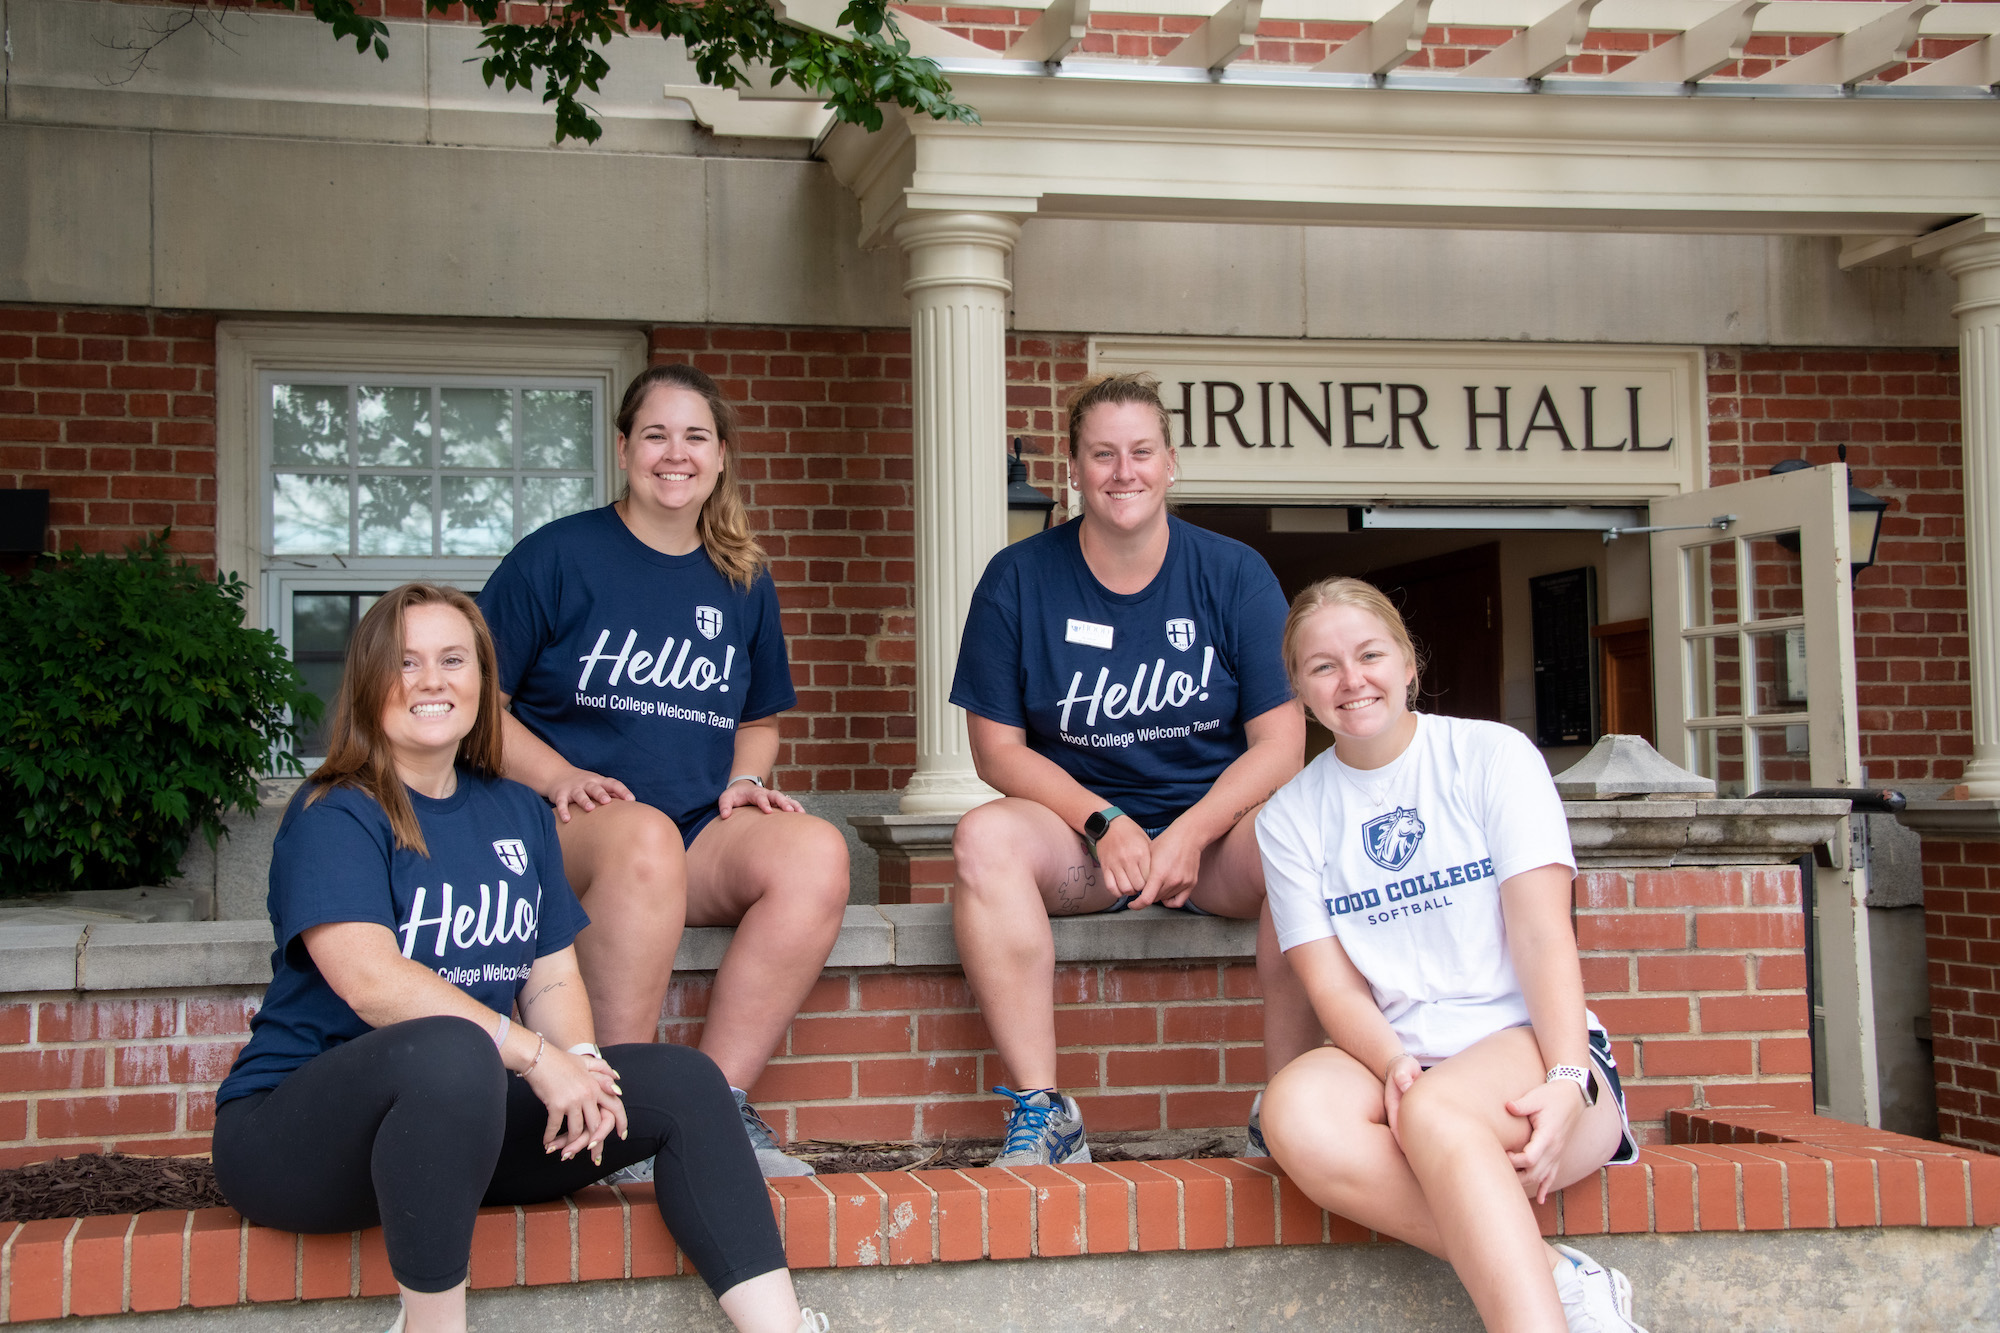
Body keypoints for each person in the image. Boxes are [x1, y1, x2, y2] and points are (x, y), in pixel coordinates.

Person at [212, 584, 829, 1333]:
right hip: (298, 1144)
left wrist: (582, 1063)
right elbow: (372, 981)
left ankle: (783, 1328)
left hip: (454, 1131)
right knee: (455, 1046)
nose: (431, 680)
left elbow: (552, 971)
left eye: (452, 659)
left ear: (483, 682)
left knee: (685, 1083)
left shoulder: (516, 810)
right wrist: (536, 1057)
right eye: (405, 661)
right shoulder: (335, 810)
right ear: (371, 679)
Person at [476, 364, 849, 1177]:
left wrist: (747, 781)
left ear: (720, 458)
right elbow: (476, 705)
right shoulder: (557, 558)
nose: (674, 453)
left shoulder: (743, 577)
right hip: (569, 829)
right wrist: (555, 774)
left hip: (692, 828)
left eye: (695, 437)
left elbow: (759, 718)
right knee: (642, 835)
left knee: (816, 850)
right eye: (655, 434)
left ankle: (714, 1104)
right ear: (623, 448)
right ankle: (617, 1109)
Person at [947, 371, 1321, 1166]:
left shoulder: (1233, 573)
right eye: (1103, 454)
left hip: (1211, 843)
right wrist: (1102, 817)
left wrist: (1191, 830)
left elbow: (1283, 744)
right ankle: (1046, 1112)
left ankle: (1291, 1105)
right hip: (1083, 845)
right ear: (1074, 468)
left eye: (1141, 451)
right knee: (983, 839)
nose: (1124, 471)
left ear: (1170, 462)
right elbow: (996, 751)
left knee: (1304, 838)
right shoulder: (1017, 579)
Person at [1254, 576, 1645, 1333]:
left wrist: (1568, 1076)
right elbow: (1332, 989)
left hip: (1537, 1052)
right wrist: (1394, 1062)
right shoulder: (1291, 816)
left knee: (1436, 1110)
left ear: (1409, 664)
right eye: (1323, 666)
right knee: (1293, 1111)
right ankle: (1561, 1276)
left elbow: (1542, 935)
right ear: (1300, 690)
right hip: (1402, 1059)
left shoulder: (1489, 755)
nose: (1352, 679)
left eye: (1370, 653)